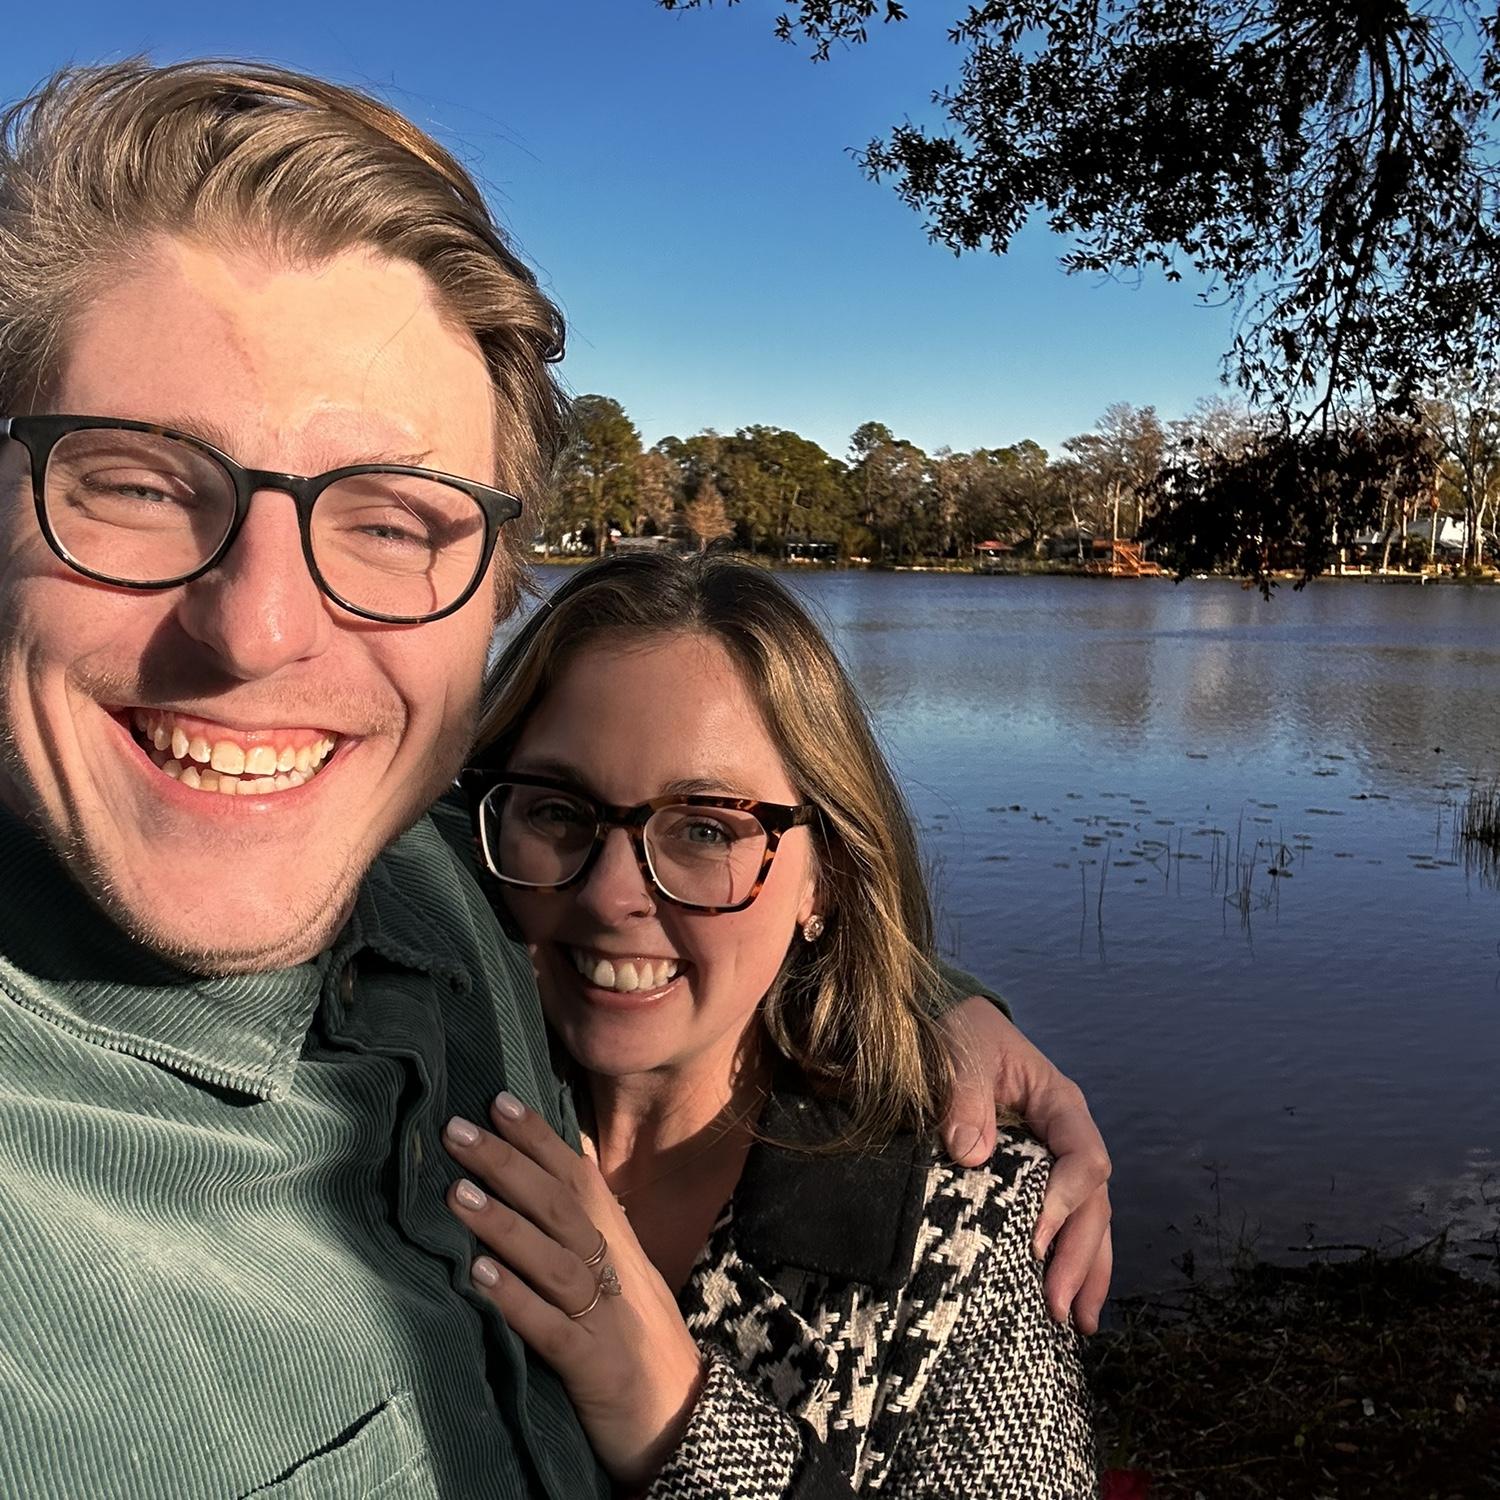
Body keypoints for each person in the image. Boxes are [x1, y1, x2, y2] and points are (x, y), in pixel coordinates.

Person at [0, 58, 1108, 1498]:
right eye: (139, 486)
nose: (260, 632)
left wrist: (929, 1011)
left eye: (392, 523)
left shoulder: (955, 1219)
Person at [445, 552, 1098, 1496]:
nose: (610, 894)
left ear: (823, 877)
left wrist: (674, 1417)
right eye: (559, 810)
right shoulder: (415, 1091)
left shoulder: (962, 1229)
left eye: (706, 828)